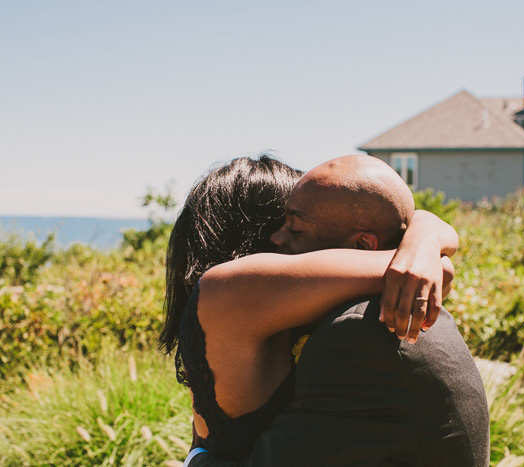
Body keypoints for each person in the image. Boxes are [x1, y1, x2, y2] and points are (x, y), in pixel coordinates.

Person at [185, 156, 490, 466]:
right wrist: (426, 237)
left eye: (296, 229)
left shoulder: (361, 332)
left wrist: (195, 460)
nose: (277, 239)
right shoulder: (353, 316)